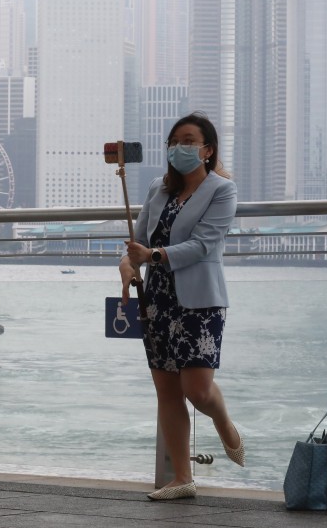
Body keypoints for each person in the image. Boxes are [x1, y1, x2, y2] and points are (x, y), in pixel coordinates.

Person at [118, 111, 243, 501]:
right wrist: (127, 268)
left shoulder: (222, 190)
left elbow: (203, 245)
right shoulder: (158, 188)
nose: (180, 148)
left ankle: (223, 421)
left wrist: (153, 256)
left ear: (207, 150)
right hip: (157, 300)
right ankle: (182, 478)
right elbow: (135, 243)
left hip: (200, 303)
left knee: (197, 390)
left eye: (189, 142)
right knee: (166, 390)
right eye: (174, 142)